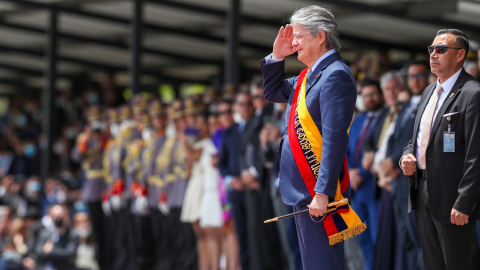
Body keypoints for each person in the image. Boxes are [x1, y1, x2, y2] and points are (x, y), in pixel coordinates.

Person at [261, 5, 361, 270]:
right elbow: (272, 93)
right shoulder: (308, 76)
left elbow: (334, 139)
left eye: (299, 36)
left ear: (321, 36)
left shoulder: (335, 74)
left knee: (322, 264)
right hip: (302, 189)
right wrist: (277, 56)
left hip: (316, 189)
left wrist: (323, 191)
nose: (293, 43)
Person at [401, 29, 480, 270]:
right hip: (423, 189)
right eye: (431, 49)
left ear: (460, 55)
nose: (433, 54)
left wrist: (464, 202)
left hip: (453, 196)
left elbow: (476, 155)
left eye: (441, 49)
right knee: (433, 264)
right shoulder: (428, 91)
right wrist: (407, 156)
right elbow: (416, 139)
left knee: (458, 264)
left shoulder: (472, 93)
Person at [386, 61, 430, 270]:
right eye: (411, 77)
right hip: (398, 186)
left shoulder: (430, 102)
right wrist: (387, 166)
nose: (415, 80)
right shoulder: (404, 106)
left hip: (414, 183)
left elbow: (415, 139)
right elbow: (395, 138)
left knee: (422, 242)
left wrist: (392, 162)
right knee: (409, 243)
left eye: (420, 76)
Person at [346, 79, 385, 270]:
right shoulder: (357, 120)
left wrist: (360, 173)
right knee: (364, 242)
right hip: (356, 190)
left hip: (374, 188)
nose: (369, 99)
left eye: (373, 94)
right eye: (365, 95)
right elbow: (345, 151)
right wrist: (349, 174)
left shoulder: (387, 118)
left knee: (380, 241)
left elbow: (379, 153)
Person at [34, 204, 79, 270]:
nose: (58, 219)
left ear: (67, 217)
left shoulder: (72, 234)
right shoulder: (44, 233)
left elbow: (70, 254)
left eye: (61, 217)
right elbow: (38, 252)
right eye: (56, 217)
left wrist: (51, 251)